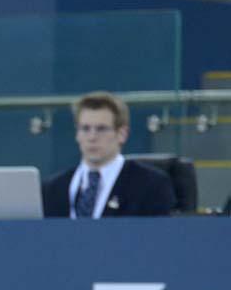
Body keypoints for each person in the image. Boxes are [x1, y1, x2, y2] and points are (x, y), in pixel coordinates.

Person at [42, 91, 176, 218]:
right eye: (85, 129)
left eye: (101, 129)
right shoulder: (52, 189)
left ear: (122, 134)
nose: (92, 137)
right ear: (77, 134)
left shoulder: (150, 185)